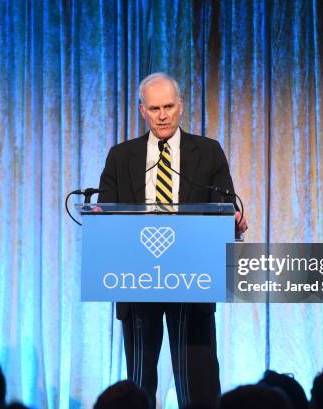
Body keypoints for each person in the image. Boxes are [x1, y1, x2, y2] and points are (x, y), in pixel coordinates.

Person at [98, 72, 247, 408]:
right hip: (137, 279)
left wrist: (232, 223)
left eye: (168, 106)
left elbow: (225, 206)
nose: (162, 115)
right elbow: (106, 213)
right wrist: (99, 216)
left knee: (198, 384)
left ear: (180, 106)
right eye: (154, 108)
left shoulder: (208, 152)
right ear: (142, 111)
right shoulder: (121, 156)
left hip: (192, 278)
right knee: (139, 383)